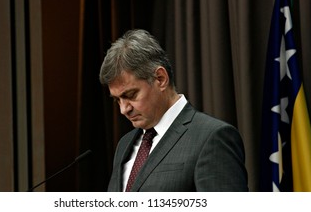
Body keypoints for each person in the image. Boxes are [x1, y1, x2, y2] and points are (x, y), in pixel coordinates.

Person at [99, 29, 248, 192]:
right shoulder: (124, 145)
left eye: (130, 95)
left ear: (160, 79)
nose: (123, 109)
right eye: (117, 100)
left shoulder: (211, 137)